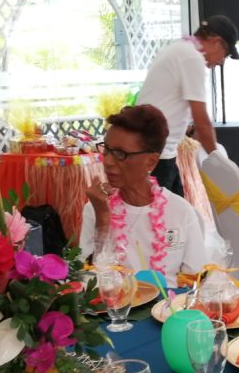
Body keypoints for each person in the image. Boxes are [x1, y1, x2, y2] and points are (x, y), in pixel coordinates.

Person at [80, 104, 208, 287]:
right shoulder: (96, 207)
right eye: (106, 149)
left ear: (151, 161)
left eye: (120, 153)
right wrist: (103, 219)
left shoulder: (180, 211)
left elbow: (196, 281)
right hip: (116, 303)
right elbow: (90, 281)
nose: (107, 161)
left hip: (169, 303)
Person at [136, 15, 239, 195]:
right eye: (226, 54)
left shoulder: (180, 49)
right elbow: (203, 122)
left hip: (154, 150)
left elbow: (167, 102)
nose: (222, 61)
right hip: (156, 153)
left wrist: (188, 130)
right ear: (216, 41)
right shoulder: (192, 58)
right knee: (164, 212)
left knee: (178, 210)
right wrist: (221, 168)